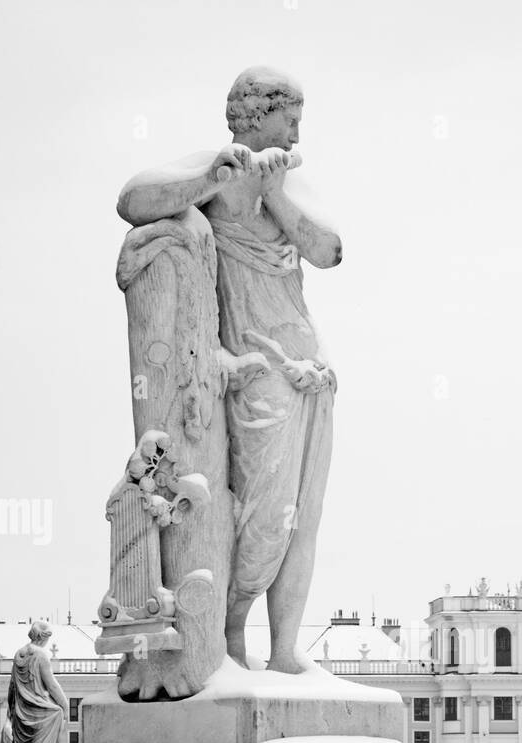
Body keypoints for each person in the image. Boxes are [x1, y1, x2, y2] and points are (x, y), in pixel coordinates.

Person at [117, 66, 341, 674]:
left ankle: (286, 648)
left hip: (311, 369)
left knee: (306, 514)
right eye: (288, 118)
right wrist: (211, 178)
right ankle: (231, 631)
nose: (296, 132)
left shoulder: (291, 181)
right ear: (253, 114)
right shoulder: (214, 168)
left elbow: (329, 250)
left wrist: (274, 195)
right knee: (265, 516)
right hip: (255, 369)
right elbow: (133, 201)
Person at [5, 622, 68, 743]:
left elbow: (12, 687)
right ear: (43, 637)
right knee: (56, 714)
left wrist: (12, 709)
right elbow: (52, 685)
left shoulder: (19, 654)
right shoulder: (41, 655)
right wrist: (64, 705)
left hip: (21, 713)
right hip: (38, 713)